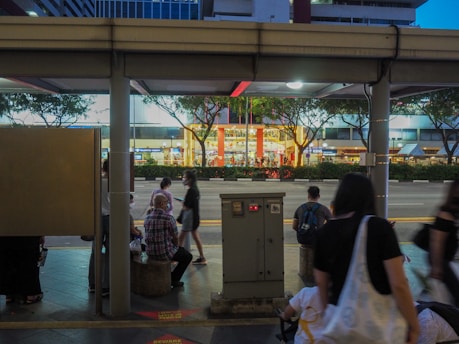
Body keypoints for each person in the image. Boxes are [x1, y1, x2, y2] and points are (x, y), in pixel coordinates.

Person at [313, 173, 420, 343]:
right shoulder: (379, 228)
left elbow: (321, 282)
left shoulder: (324, 233)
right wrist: (414, 325)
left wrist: (330, 314)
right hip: (378, 326)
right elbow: (399, 284)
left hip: (339, 324)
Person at [144, 193, 192, 288]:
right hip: (164, 253)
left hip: (150, 252)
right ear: (161, 204)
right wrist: (176, 247)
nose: (167, 205)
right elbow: (175, 238)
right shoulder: (168, 218)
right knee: (187, 256)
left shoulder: (147, 218)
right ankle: (174, 279)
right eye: (166, 203)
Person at [428, 179, 459, 307]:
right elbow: (437, 241)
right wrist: (437, 266)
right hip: (441, 260)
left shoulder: (454, 212)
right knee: (455, 293)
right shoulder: (445, 213)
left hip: (447, 259)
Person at [0, 236, 44, 304]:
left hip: (6, 234)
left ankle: (10, 294)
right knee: (29, 259)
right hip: (28, 235)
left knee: (9, 259)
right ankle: (31, 294)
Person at [88, 159, 110, 297]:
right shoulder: (116, 183)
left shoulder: (97, 182)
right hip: (111, 218)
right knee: (110, 252)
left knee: (95, 250)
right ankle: (106, 285)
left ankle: (93, 284)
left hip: (97, 218)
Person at [178, 169, 207, 265]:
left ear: (190, 179)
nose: (183, 179)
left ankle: (177, 257)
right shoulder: (195, 189)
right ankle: (202, 257)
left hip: (189, 217)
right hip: (193, 217)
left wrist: (182, 203)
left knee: (181, 237)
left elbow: (186, 206)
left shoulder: (191, 191)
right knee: (195, 237)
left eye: (185, 177)